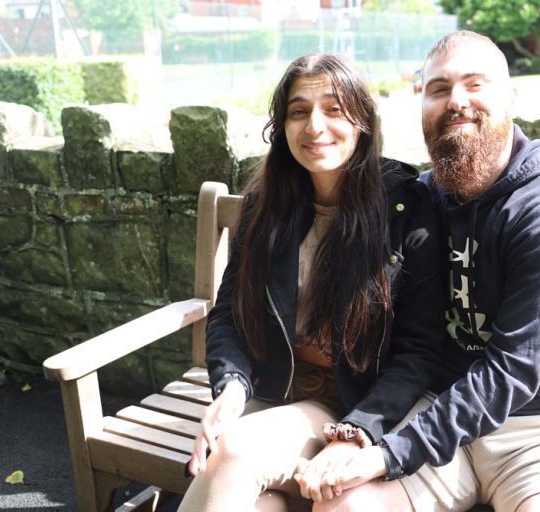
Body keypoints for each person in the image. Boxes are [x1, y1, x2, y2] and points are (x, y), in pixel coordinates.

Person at [297, 30, 540, 512]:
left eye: (475, 84)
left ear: (511, 97)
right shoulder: (423, 199)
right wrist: (361, 428)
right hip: (441, 409)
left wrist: (388, 453)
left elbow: (512, 372)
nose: (456, 101)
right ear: (421, 105)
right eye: (438, 89)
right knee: (342, 506)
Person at [177, 53, 444, 512]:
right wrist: (232, 387)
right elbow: (227, 315)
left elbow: (421, 352)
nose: (314, 126)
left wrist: (359, 429)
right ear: (282, 126)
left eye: (334, 109)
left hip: (353, 405)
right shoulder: (267, 204)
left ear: (362, 120)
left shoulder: (406, 208)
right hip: (273, 391)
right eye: (298, 112)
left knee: (232, 452)